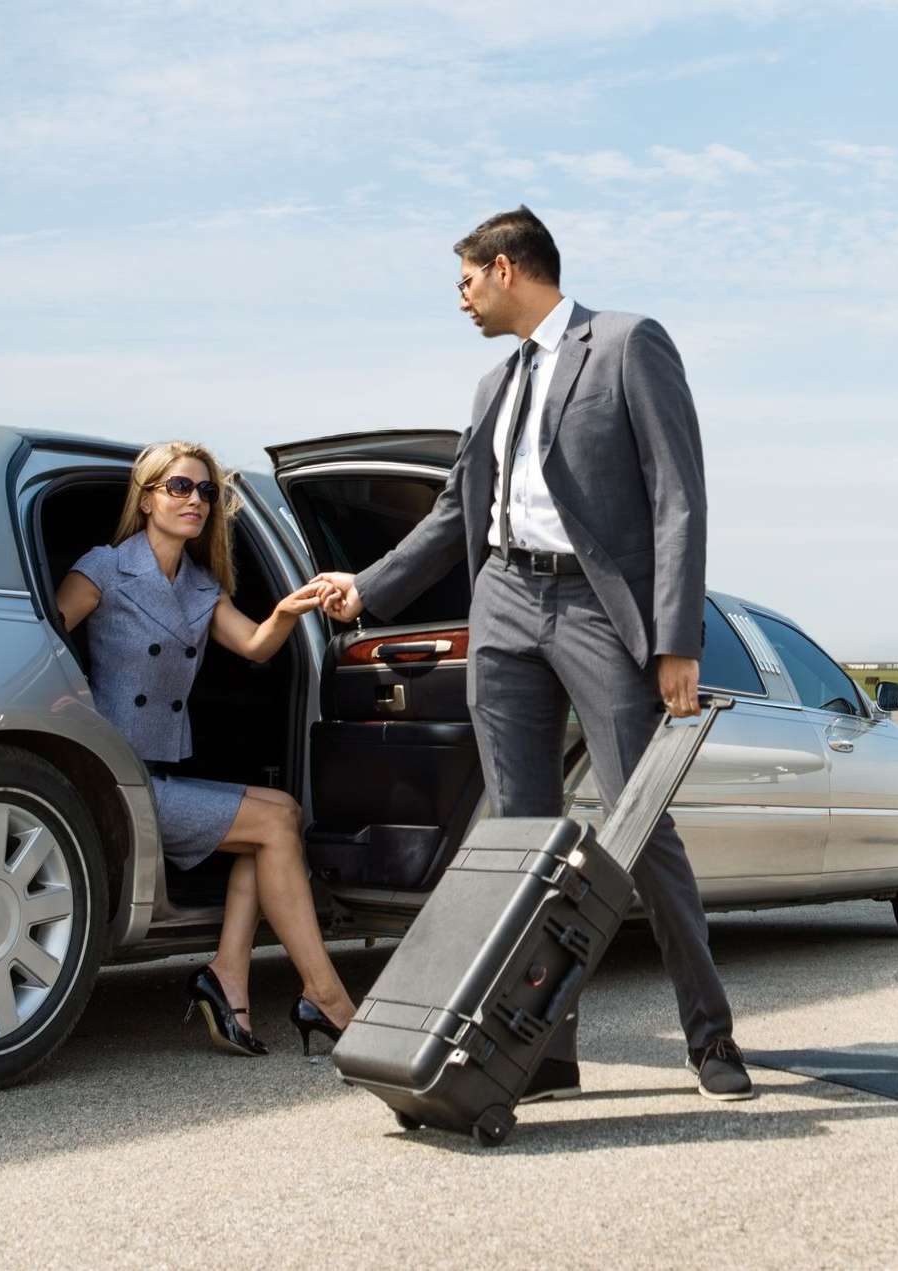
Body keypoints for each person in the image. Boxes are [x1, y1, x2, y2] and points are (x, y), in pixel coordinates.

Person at [310, 207, 752, 1101]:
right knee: (518, 837)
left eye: (466, 279)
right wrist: (368, 586)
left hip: (596, 608)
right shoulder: (491, 384)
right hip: (505, 602)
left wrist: (675, 639)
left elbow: (678, 495)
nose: (461, 298)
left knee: (638, 823)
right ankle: (542, 1050)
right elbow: (454, 512)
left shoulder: (625, 343)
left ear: (506, 268)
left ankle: (710, 1037)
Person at [55, 441, 358, 1057]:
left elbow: (254, 646)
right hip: (116, 780)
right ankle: (326, 995)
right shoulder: (105, 569)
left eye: (206, 491)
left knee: (278, 818)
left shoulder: (200, 587)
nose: (195, 500)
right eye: (179, 487)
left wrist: (286, 609)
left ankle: (229, 976)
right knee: (272, 823)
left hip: (159, 773)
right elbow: (44, 640)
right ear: (146, 499)